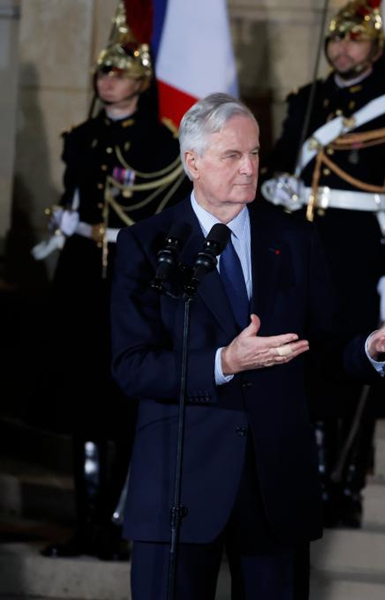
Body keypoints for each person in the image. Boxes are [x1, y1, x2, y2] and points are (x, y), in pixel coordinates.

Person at [110, 93, 385, 599]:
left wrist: (372, 346)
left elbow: (320, 350)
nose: (248, 168)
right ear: (192, 162)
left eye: (255, 154)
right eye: (232, 156)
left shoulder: (294, 239)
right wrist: (222, 363)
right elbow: (132, 367)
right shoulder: (148, 244)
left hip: (275, 483)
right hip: (182, 481)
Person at [263, 0, 385, 528]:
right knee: (306, 363)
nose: (342, 48)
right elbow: (281, 161)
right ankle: (311, 478)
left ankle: (347, 484)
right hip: (303, 249)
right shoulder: (308, 100)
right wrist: (272, 182)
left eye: (355, 39)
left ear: (375, 48)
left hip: (361, 257)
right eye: (336, 39)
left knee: (357, 367)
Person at [36, 1, 188, 561]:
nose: (107, 79)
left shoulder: (160, 142)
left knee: (122, 406)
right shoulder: (81, 137)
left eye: (119, 70)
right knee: (82, 403)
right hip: (81, 281)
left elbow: (165, 220)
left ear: (142, 78)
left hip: (131, 282)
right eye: (103, 69)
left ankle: (119, 525)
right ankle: (86, 523)